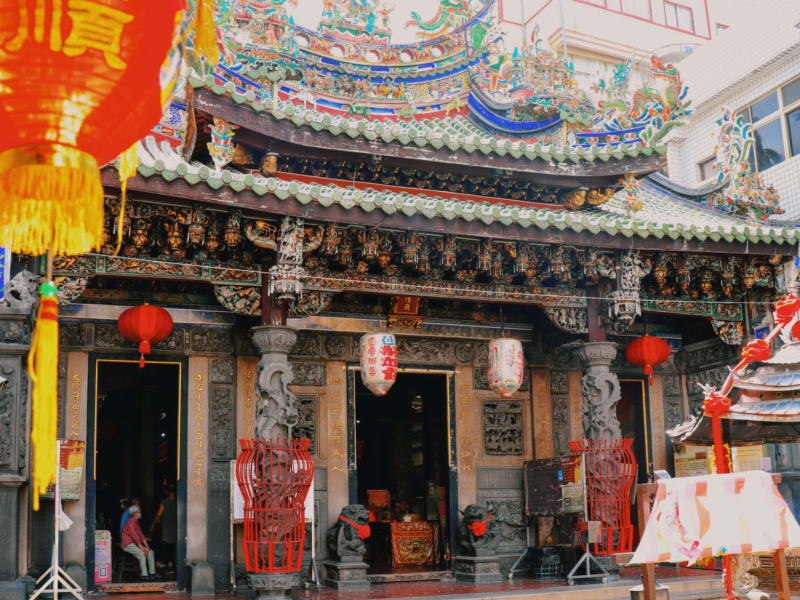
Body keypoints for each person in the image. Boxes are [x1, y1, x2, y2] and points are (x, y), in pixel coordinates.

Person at [121, 505, 157, 581]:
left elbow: (141, 535)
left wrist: (147, 547)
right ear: (135, 513)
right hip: (128, 544)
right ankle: (144, 575)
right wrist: (143, 550)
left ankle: (152, 573)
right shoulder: (130, 523)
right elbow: (135, 537)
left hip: (135, 543)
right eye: (139, 512)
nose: (140, 513)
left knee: (150, 552)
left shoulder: (136, 521)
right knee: (142, 554)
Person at [150, 484, 177, 570]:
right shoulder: (178, 501)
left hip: (167, 529)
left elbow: (158, 515)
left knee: (166, 546)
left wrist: (153, 524)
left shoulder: (164, 502)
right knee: (174, 547)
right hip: (176, 529)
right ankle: (171, 564)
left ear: (168, 492)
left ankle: (166, 563)